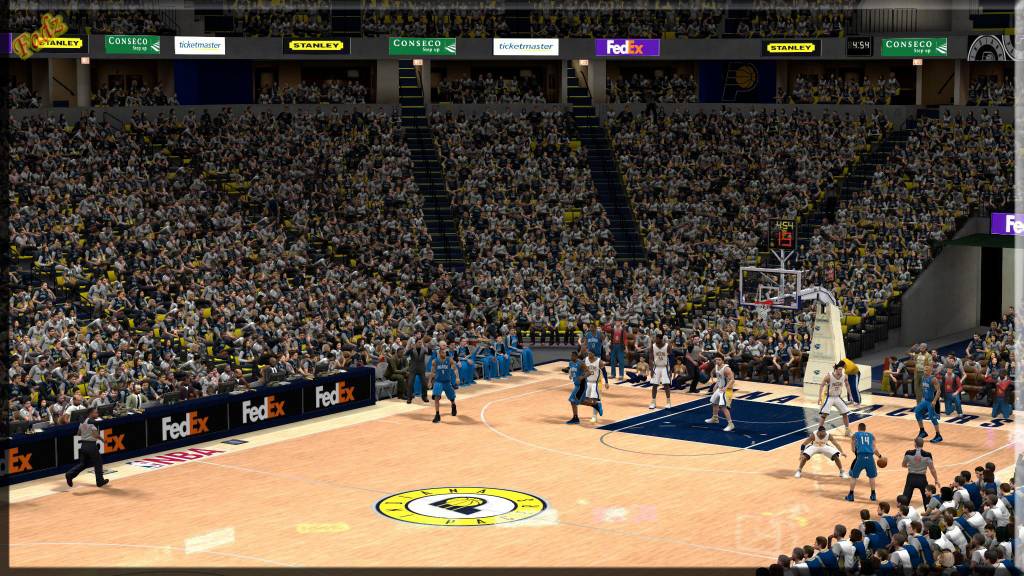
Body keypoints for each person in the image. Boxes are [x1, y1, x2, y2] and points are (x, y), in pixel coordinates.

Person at [64, 407, 109, 488]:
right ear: (91, 413)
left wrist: (86, 433)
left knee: (83, 464)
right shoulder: (92, 422)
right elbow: (96, 435)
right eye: (95, 413)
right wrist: (103, 440)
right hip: (91, 446)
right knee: (98, 463)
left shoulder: (82, 422)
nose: (97, 414)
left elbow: (78, 434)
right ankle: (100, 481)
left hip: (83, 446)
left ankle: (70, 474)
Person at [847, 422, 882, 502]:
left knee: (854, 477)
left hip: (860, 457)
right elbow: (874, 449)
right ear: (865, 429)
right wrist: (880, 456)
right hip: (870, 458)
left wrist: (857, 451)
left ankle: (851, 495)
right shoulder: (872, 436)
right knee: (872, 477)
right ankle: (873, 495)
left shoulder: (855, 435)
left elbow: (853, 449)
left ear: (858, 428)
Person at [902, 436, 939, 507]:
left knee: (905, 499)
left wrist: (910, 466)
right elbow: (932, 469)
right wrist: (936, 480)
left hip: (911, 478)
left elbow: (903, 465)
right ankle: (928, 512)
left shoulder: (908, 453)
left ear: (915, 444)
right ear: (922, 444)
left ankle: (903, 512)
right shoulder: (928, 455)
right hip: (922, 479)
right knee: (926, 499)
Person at [429, 342, 459, 423]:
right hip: (438, 382)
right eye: (442, 352)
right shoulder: (435, 361)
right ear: (439, 353)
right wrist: (430, 381)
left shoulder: (449, 360)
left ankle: (453, 405)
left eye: (445, 352)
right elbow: (432, 372)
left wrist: (457, 377)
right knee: (436, 397)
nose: (444, 354)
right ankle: (437, 415)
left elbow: (455, 369)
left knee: (452, 397)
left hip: (447, 382)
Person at [819, 363, 852, 435]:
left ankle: (847, 430)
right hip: (829, 397)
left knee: (845, 413)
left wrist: (850, 395)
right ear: (836, 369)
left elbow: (847, 385)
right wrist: (819, 397)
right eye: (839, 369)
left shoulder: (844, 376)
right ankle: (819, 430)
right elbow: (821, 386)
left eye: (841, 369)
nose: (841, 371)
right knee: (824, 414)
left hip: (837, 397)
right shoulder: (829, 376)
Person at [913, 364, 943, 443]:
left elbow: (939, 391)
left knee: (932, 417)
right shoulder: (923, 377)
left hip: (931, 401)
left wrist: (934, 401)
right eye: (924, 370)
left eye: (926, 370)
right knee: (917, 412)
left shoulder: (933, 379)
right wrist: (923, 398)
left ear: (930, 371)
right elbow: (924, 389)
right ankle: (922, 431)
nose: (924, 371)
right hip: (925, 400)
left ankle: (938, 435)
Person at [705, 355, 735, 432]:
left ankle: (730, 424)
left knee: (723, 407)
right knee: (714, 402)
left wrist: (726, 388)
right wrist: (715, 384)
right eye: (716, 360)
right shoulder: (716, 366)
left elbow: (732, 380)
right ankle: (715, 418)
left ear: (723, 360)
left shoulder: (726, 369)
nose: (717, 361)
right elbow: (719, 378)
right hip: (719, 388)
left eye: (719, 360)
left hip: (726, 390)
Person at [648, 332, 672, 410]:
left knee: (666, 385)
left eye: (657, 339)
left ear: (661, 339)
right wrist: (651, 370)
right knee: (654, 385)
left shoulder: (667, 346)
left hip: (665, 367)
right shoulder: (653, 346)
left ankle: (668, 402)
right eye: (655, 338)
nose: (655, 340)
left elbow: (671, 357)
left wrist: (670, 370)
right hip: (656, 367)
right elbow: (650, 358)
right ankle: (653, 402)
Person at [405, 335, 430, 404]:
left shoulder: (423, 349)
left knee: (424, 383)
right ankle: (409, 398)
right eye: (419, 342)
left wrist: (427, 345)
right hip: (413, 369)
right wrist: (410, 348)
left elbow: (429, 353)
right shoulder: (412, 349)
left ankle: (424, 397)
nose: (420, 344)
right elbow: (405, 354)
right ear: (415, 343)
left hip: (421, 368)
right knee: (410, 383)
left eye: (421, 342)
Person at [582, 349, 605, 424]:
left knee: (594, 399)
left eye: (590, 353)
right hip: (588, 382)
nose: (588, 354)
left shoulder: (599, 361)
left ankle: (594, 417)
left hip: (597, 383)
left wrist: (607, 382)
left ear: (593, 354)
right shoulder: (585, 360)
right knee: (585, 400)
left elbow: (604, 371)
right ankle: (598, 405)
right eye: (588, 353)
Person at [566, 350, 585, 424]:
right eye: (570, 356)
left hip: (581, 385)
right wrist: (570, 374)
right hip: (576, 384)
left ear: (576, 356)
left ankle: (576, 418)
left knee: (572, 400)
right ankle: (595, 405)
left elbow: (588, 372)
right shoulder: (570, 363)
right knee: (579, 401)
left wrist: (582, 377)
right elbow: (571, 369)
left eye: (572, 356)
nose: (571, 357)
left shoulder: (581, 363)